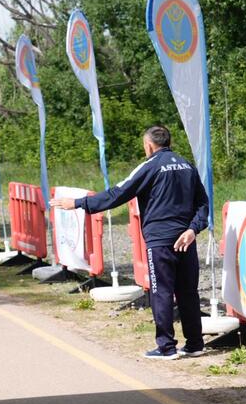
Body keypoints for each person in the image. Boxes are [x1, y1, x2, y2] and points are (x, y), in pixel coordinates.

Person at [50, 125, 209, 360]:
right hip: (186, 238)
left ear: (148, 145)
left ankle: (166, 347)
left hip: (160, 240)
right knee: (188, 292)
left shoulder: (150, 166)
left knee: (161, 292)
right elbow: (203, 205)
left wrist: (79, 203)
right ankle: (195, 344)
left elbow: (118, 193)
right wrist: (193, 230)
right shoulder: (187, 165)